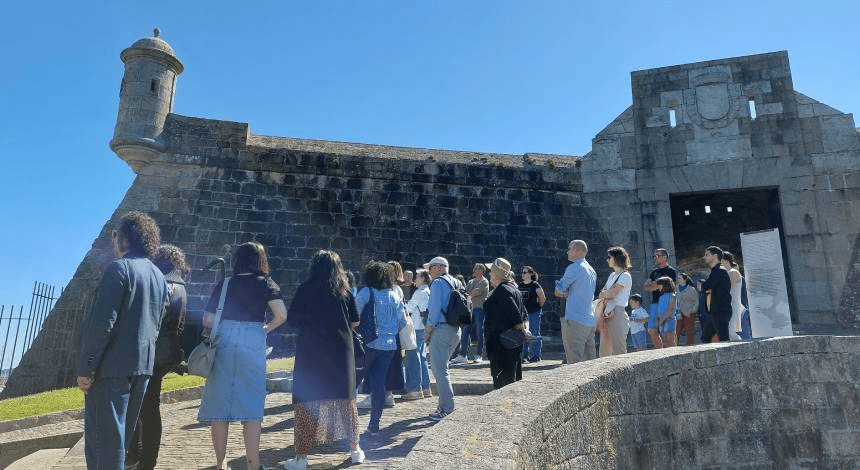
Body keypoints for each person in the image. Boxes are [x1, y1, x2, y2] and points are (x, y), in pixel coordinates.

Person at [76, 211, 168, 470]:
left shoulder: (119, 269)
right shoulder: (158, 277)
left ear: (124, 239)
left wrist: (86, 367)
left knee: (104, 448)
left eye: (115, 235)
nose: (113, 240)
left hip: (111, 370)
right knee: (120, 443)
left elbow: (101, 324)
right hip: (142, 369)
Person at [198, 241, 288, 470]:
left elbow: (207, 319)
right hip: (252, 343)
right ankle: (253, 464)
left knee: (220, 408)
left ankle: (220, 464)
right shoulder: (266, 283)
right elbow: (281, 315)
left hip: (224, 342)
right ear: (261, 260)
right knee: (252, 405)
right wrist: (264, 329)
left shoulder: (225, 284)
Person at [284, 250, 364, 470]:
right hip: (340, 350)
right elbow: (355, 322)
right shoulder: (344, 291)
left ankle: (301, 457)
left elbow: (293, 320)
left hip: (312, 351)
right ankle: (355, 449)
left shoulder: (305, 289)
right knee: (345, 402)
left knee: (306, 403)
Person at [126, 244, 189, 470]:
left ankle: (141, 459)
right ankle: (143, 459)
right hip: (165, 353)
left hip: (149, 354)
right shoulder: (180, 285)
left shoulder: (163, 284)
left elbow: (152, 319)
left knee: (143, 408)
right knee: (148, 408)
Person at [354, 261, 407, 435]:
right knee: (379, 386)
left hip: (368, 344)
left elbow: (353, 315)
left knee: (353, 381)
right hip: (389, 346)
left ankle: (345, 425)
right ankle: (374, 425)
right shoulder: (394, 294)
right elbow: (402, 322)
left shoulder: (367, 292)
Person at [423, 256, 462, 421]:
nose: (429, 272)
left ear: (439, 267)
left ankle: (446, 408)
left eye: (430, 268)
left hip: (442, 330)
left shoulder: (438, 283)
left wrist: (427, 331)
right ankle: (444, 405)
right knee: (443, 369)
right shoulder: (456, 282)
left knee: (440, 371)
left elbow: (433, 310)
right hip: (456, 330)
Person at [483, 258, 527, 389]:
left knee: (503, 383)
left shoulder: (502, 291)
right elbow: (524, 314)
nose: (489, 274)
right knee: (512, 379)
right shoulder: (513, 289)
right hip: (511, 343)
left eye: (491, 272)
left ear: (497, 274)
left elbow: (517, 315)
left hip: (502, 345)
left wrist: (520, 326)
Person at [554, 240, 597, 364]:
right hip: (589, 319)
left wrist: (560, 290)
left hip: (575, 320)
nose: (567, 251)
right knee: (590, 363)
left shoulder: (574, 268)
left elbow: (559, 289)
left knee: (574, 363)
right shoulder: (591, 270)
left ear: (578, 251)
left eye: (570, 248)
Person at [596, 247, 632, 357]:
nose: (607, 260)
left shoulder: (625, 275)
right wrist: (606, 293)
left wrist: (606, 293)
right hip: (608, 310)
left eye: (609, 257)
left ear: (616, 258)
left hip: (617, 312)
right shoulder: (612, 275)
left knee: (618, 348)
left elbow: (611, 293)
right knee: (605, 347)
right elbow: (602, 293)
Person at [405, 269, 432, 398]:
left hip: (416, 327)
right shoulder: (427, 291)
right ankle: (426, 387)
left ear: (423, 279)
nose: (415, 279)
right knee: (421, 358)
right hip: (422, 327)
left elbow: (408, 308)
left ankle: (415, 389)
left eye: (417, 277)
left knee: (412, 358)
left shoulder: (419, 292)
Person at [643, 248, 678, 349]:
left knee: (669, 331)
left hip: (667, 301)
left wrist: (654, 285)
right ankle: (660, 351)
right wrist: (654, 285)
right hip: (655, 303)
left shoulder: (671, 271)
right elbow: (647, 287)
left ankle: (673, 350)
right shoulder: (654, 272)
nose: (655, 258)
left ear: (665, 257)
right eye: (654, 256)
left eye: (657, 256)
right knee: (651, 329)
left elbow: (670, 286)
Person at [698, 246, 733, 342]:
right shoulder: (715, 272)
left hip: (720, 312)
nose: (704, 257)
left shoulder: (720, 271)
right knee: (705, 338)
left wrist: (702, 286)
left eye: (707, 255)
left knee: (723, 339)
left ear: (715, 256)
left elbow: (706, 286)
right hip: (713, 312)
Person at [458, 263, 489, 364]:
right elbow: (465, 293)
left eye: (477, 269)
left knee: (479, 332)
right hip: (470, 310)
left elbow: (476, 292)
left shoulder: (485, 282)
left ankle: (478, 355)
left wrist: (471, 292)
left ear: (481, 270)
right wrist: (471, 292)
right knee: (465, 332)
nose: (474, 270)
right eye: (474, 268)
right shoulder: (471, 281)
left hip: (479, 310)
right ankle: (463, 355)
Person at [518, 265, 546, 362]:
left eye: (525, 272)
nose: (523, 274)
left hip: (534, 313)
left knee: (535, 333)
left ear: (530, 274)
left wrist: (538, 308)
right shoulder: (520, 285)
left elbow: (542, 298)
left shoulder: (535, 285)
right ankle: (525, 356)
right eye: (522, 272)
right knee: (524, 334)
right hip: (523, 314)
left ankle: (536, 356)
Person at [721, 251, 744, 341]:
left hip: (733, 304)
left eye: (721, 259)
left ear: (726, 261)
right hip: (727, 304)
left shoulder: (733, 272)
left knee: (731, 332)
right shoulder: (726, 272)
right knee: (728, 332)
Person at [675, 273, 699, 346]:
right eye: (678, 278)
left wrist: (692, 311)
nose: (678, 279)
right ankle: (675, 346)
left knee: (689, 331)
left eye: (680, 278)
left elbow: (696, 301)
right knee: (676, 331)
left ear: (684, 279)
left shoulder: (691, 289)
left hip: (689, 313)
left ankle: (690, 347)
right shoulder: (675, 288)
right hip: (678, 312)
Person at [653, 276, 677, 347]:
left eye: (659, 285)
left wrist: (662, 320)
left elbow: (670, 310)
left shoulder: (672, 295)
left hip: (669, 320)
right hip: (662, 321)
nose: (658, 287)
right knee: (665, 341)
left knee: (670, 340)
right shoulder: (661, 296)